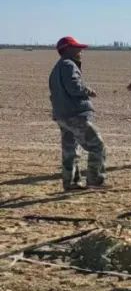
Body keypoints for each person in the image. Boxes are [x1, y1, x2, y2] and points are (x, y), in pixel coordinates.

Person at [48, 36, 107, 190]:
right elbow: (74, 88)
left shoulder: (56, 68)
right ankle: (94, 180)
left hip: (62, 115)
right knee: (97, 145)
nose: (81, 51)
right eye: (77, 48)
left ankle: (71, 182)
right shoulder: (69, 65)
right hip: (75, 114)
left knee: (70, 150)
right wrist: (88, 91)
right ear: (68, 49)